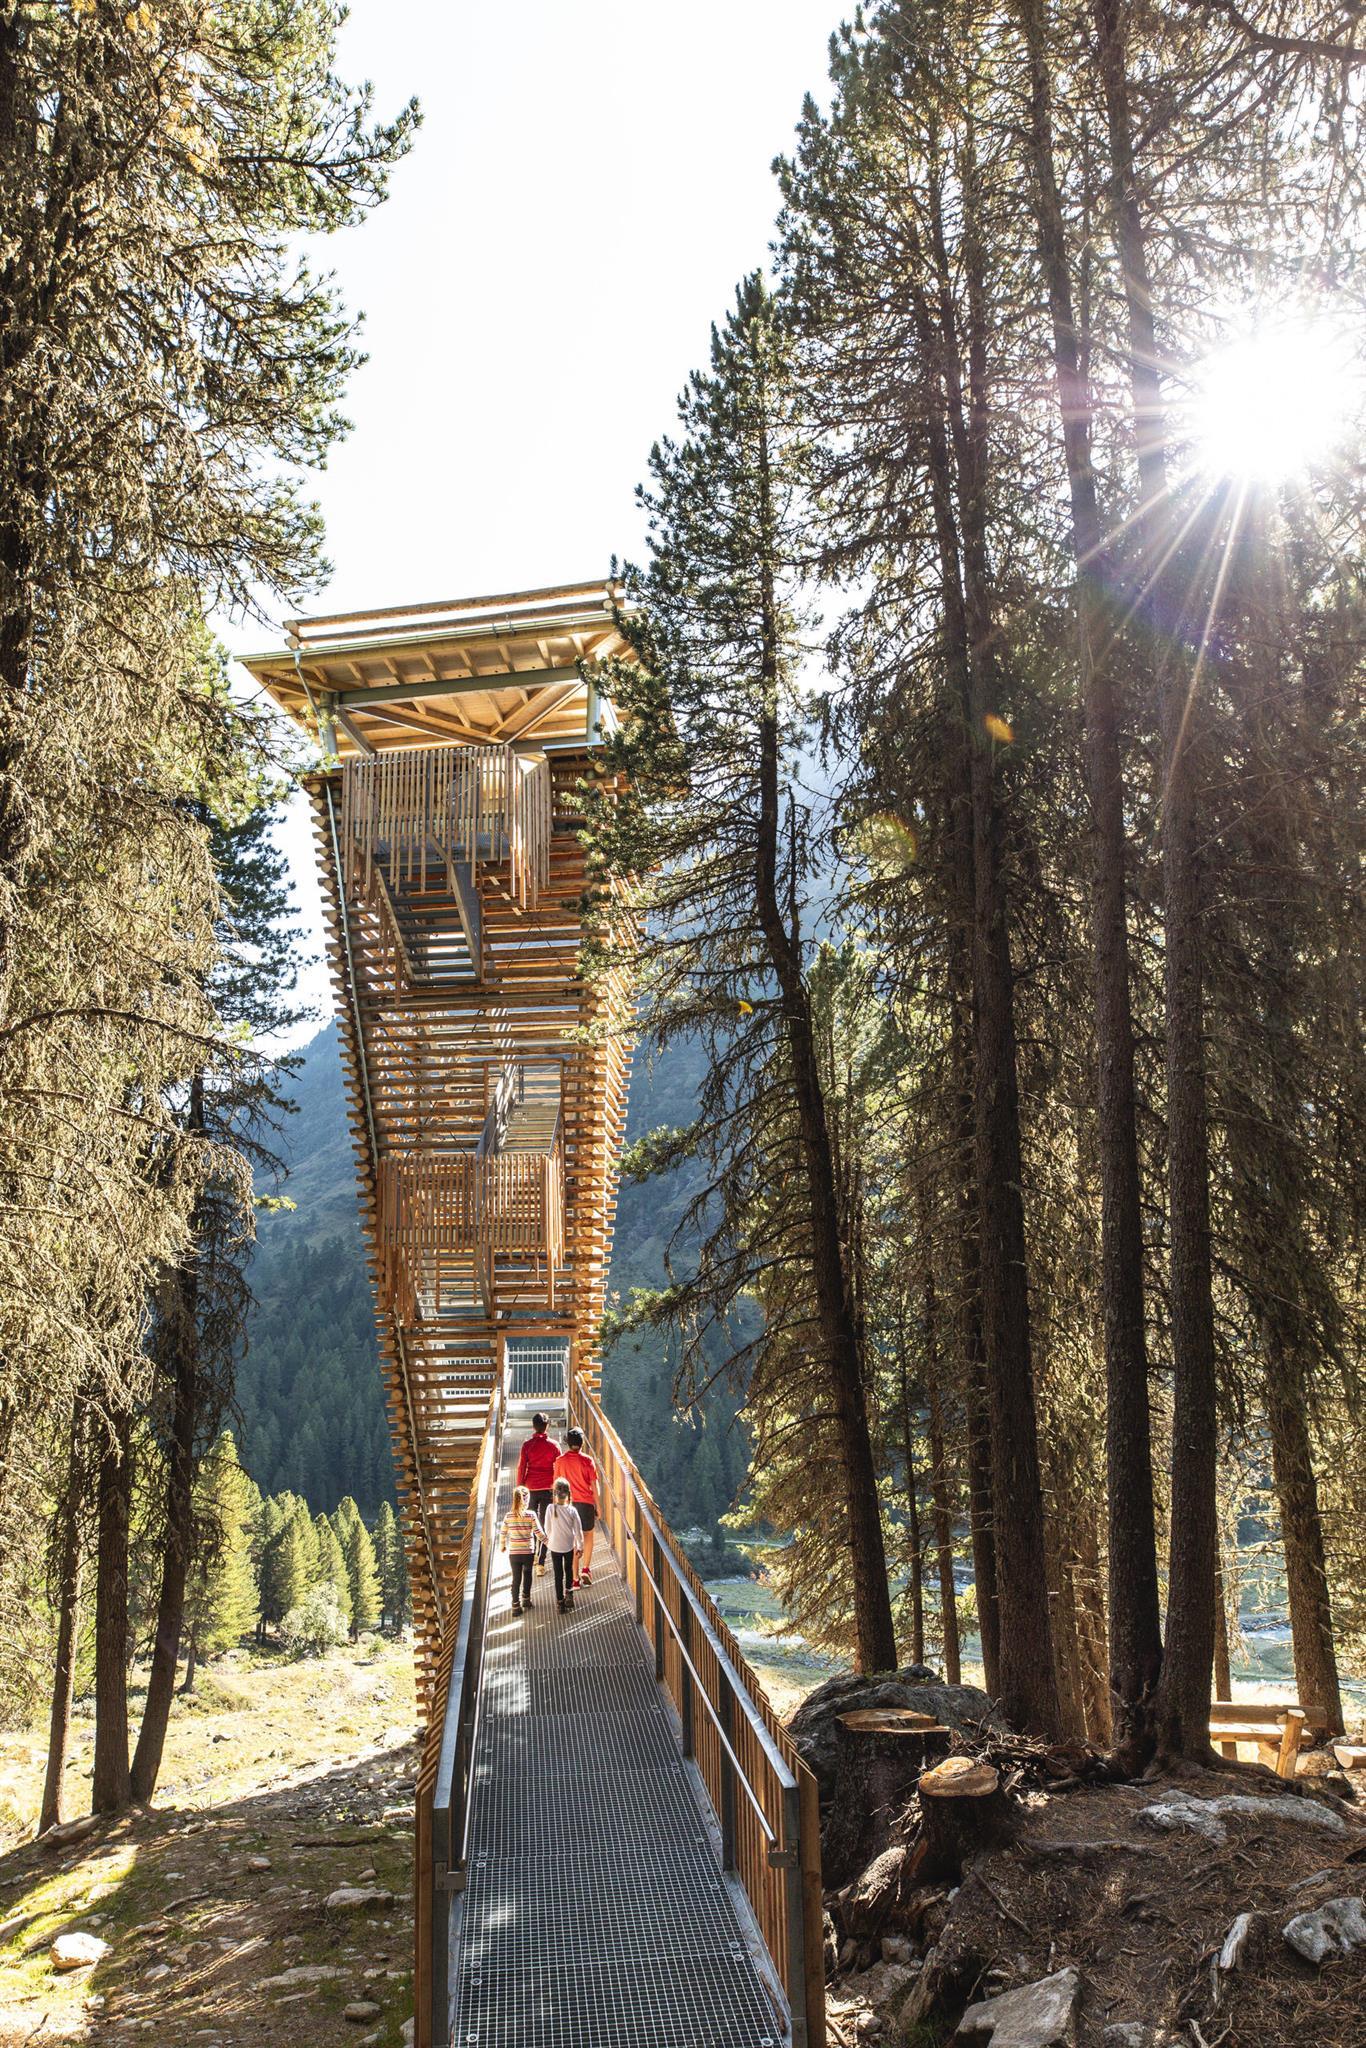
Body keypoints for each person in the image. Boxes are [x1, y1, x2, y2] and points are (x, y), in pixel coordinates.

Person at [552, 1428, 600, 1586]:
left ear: (568, 1443)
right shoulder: (588, 1460)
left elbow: (556, 1486)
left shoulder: (560, 1461)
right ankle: (586, 1569)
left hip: (567, 1504)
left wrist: (555, 1507)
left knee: (572, 1541)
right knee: (588, 1535)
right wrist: (598, 1506)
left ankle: (575, 1579)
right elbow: (594, 1485)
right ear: (582, 1443)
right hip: (586, 1503)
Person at [515, 1412, 560, 1575]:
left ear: (533, 1426)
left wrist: (519, 1487)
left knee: (531, 1524)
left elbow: (522, 1467)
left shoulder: (527, 1445)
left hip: (531, 1488)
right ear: (547, 1426)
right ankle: (541, 1563)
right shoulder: (554, 1445)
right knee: (545, 1525)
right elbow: (559, 1468)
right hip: (548, 1488)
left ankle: (532, 1555)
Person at [541, 1479, 583, 1613]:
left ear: (555, 1493)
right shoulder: (572, 1510)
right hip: (568, 1545)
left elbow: (547, 1528)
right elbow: (578, 1531)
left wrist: (550, 1539)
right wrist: (580, 1546)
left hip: (555, 1546)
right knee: (568, 1570)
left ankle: (560, 1603)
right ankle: (569, 1593)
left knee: (558, 1574)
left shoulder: (550, 1508)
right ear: (569, 1493)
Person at [500, 1486, 542, 1616]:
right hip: (528, 1552)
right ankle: (526, 1599)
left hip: (514, 1553)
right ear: (527, 1500)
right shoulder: (531, 1515)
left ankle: (515, 1605)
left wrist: (502, 1545)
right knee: (527, 1575)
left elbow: (503, 1533)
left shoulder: (508, 1516)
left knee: (516, 1578)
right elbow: (538, 1533)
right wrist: (548, 1542)